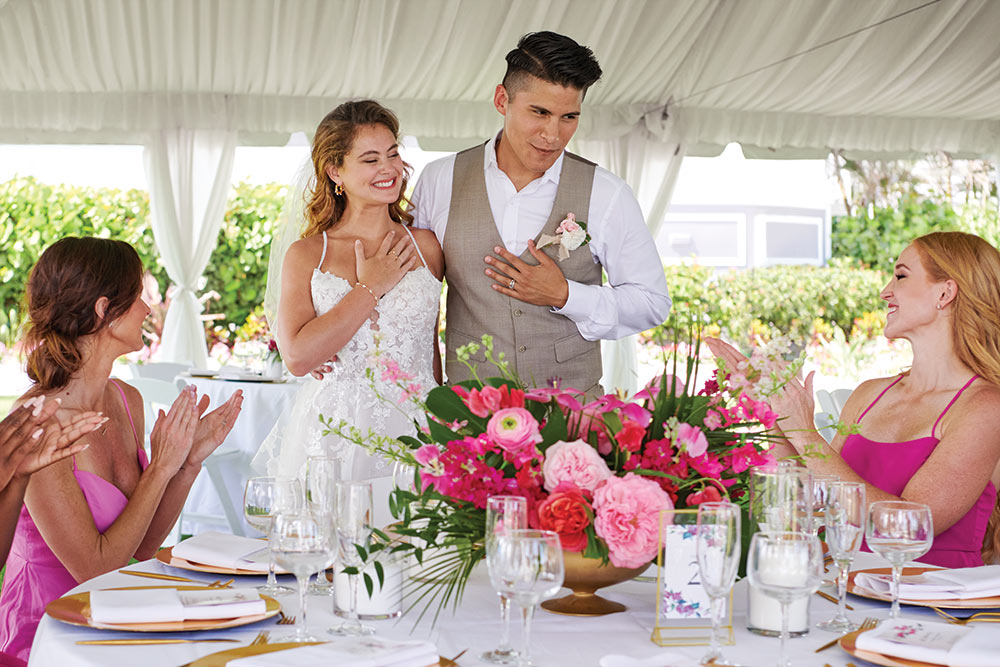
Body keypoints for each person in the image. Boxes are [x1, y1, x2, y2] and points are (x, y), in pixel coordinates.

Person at [0, 237, 243, 660]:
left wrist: (186, 464)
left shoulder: (126, 400)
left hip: (116, 615)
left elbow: (140, 547)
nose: (148, 309)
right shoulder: (39, 424)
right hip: (47, 633)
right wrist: (161, 466)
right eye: (138, 297)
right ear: (102, 310)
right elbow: (96, 570)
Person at [708, 231, 1000, 568]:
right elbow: (810, 497)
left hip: (934, 607)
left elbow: (909, 529)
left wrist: (804, 431)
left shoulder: (986, 407)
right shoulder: (870, 394)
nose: (885, 291)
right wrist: (771, 411)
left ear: (945, 292)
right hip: (849, 596)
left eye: (901, 276)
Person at [409, 31, 671, 395]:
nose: (553, 134)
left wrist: (566, 295)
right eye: (540, 112)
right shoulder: (439, 180)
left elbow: (652, 302)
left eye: (569, 117)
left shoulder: (607, 192)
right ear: (502, 99)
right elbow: (412, 292)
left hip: (574, 417)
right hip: (469, 413)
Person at [253, 100, 444, 512]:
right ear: (335, 171)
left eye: (393, 153)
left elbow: (429, 350)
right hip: (337, 432)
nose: (389, 168)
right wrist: (369, 288)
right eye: (371, 159)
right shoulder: (308, 254)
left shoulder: (425, 245)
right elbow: (300, 357)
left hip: (419, 429)